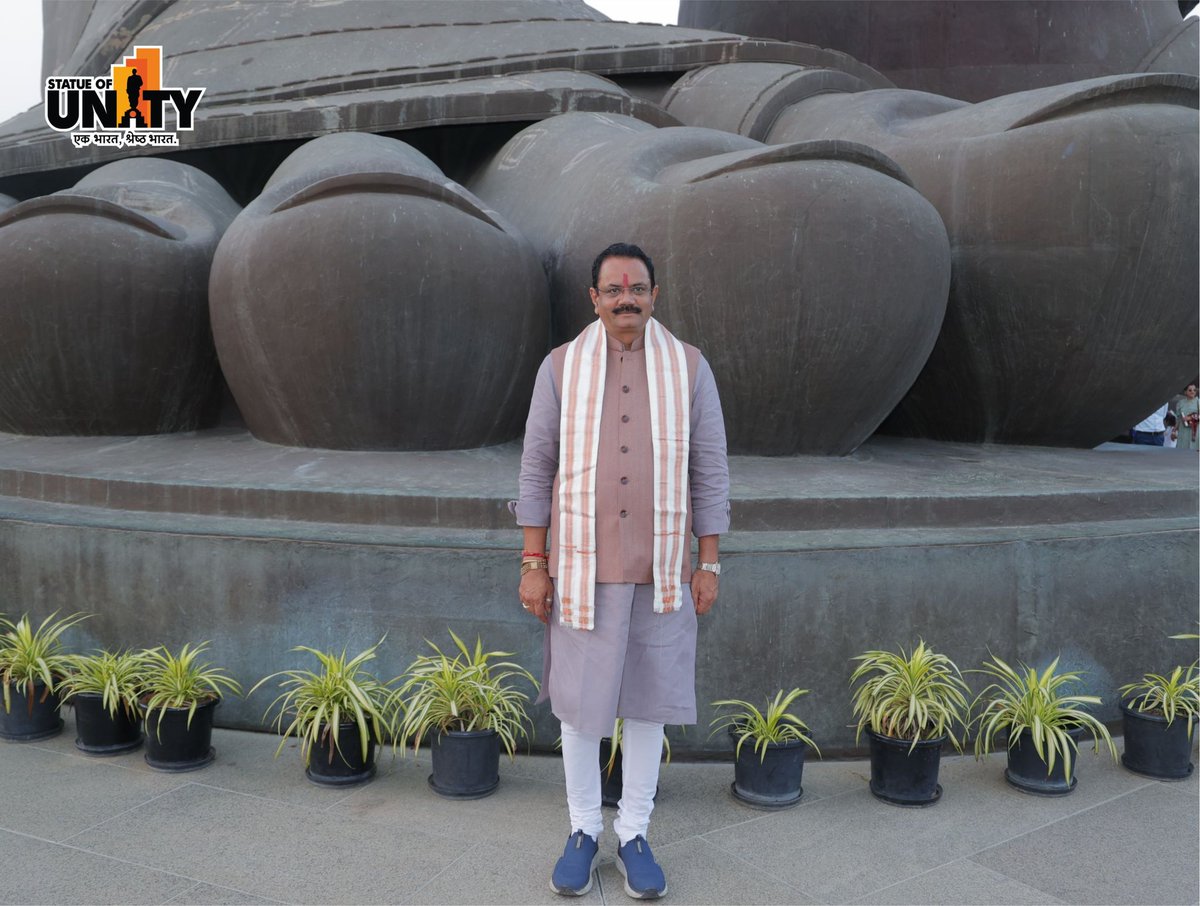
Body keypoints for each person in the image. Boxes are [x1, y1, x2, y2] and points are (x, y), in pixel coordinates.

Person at [514, 242, 730, 899]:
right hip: (582, 571)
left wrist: (709, 560)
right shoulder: (560, 369)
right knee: (580, 710)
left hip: (662, 571)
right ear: (594, 299)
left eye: (637, 288)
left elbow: (710, 469)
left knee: (647, 707)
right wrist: (533, 561)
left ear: (655, 295)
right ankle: (583, 831)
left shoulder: (689, 368)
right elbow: (536, 465)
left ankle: (634, 833)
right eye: (613, 289)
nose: (625, 298)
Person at [1178, 383, 1200, 451]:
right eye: (1190, 390)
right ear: (1185, 392)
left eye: (1194, 390)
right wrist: (1174, 431)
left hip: (1194, 431)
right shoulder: (1180, 403)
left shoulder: (1198, 402)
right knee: (1181, 453)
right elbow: (1178, 418)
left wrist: (1190, 418)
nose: (1192, 391)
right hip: (1183, 431)